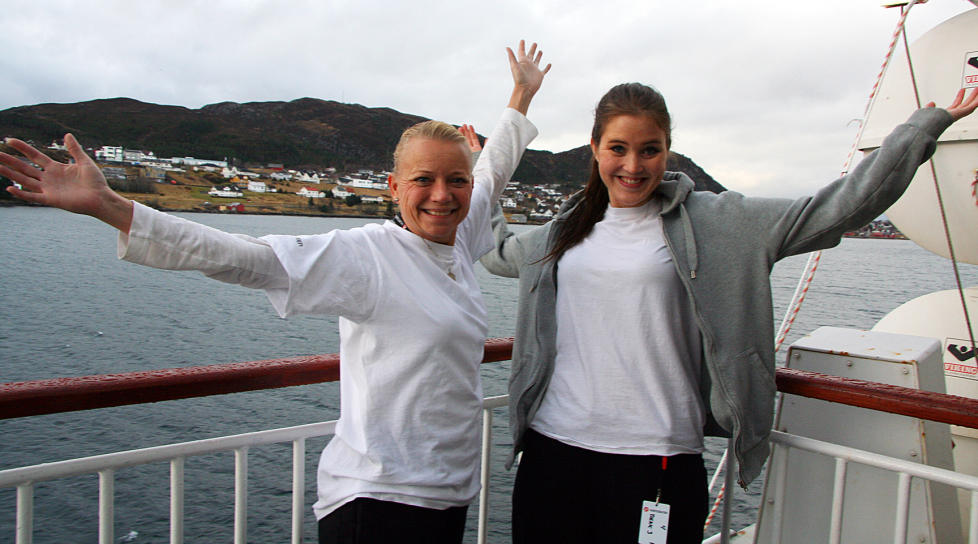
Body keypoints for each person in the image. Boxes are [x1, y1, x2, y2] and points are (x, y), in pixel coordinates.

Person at [1, 40, 550, 544]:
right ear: (393, 186)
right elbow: (247, 259)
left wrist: (521, 94)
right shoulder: (368, 256)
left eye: (456, 180)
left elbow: (494, 168)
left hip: (445, 493)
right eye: (423, 180)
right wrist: (110, 207)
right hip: (381, 499)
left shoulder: (459, 235)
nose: (442, 194)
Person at [479, 83, 978, 543]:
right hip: (553, 450)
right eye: (618, 148)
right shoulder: (565, 229)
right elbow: (495, 251)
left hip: (657, 455)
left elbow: (839, 207)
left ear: (667, 150)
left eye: (649, 149)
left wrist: (920, 130)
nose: (633, 165)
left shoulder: (719, 222)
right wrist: (485, 164)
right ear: (595, 148)